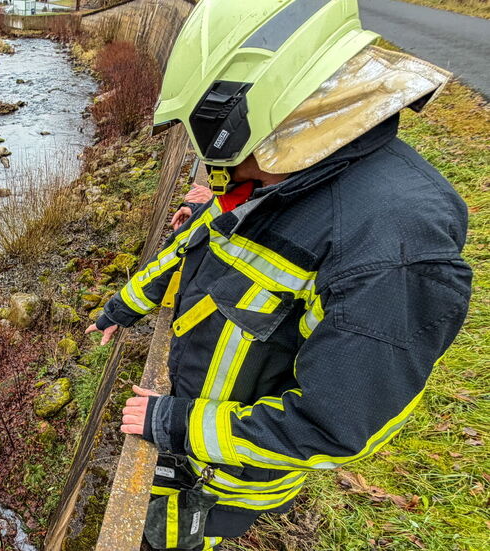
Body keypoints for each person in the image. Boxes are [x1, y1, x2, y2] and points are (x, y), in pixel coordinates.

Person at [85, 1, 472, 549]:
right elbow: (204, 248)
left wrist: (174, 424)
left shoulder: (391, 249)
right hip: (194, 426)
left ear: (262, 112)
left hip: (233, 475)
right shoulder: (286, 177)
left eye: (215, 138)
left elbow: (331, 424)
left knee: (168, 538)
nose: (218, 169)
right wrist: (123, 306)